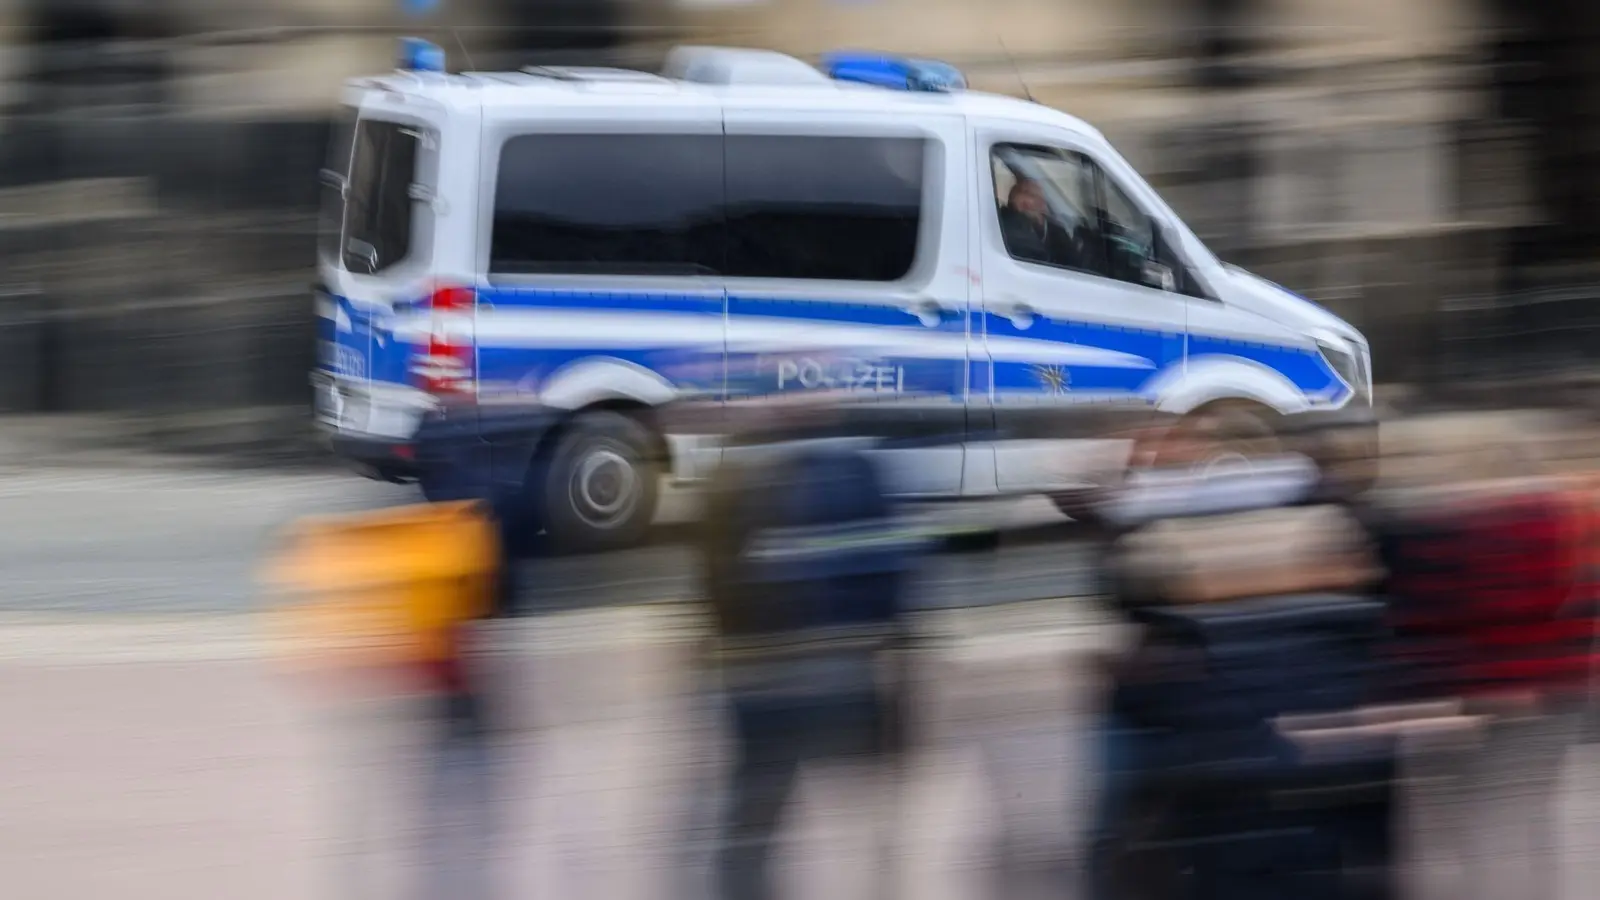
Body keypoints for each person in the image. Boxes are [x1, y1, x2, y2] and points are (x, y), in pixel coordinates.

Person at [700, 395, 925, 900]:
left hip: (774, 681)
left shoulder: (740, 475)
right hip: (828, 677)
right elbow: (893, 575)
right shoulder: (855, 470)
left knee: (759, 817)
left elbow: (719, 587)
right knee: (856, 822)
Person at [998, 178, 1085, 270]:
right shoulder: (1010, 229)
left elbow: (1072, 261)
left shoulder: (1057, 231)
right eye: (1026, 193)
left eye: (1035, 195)